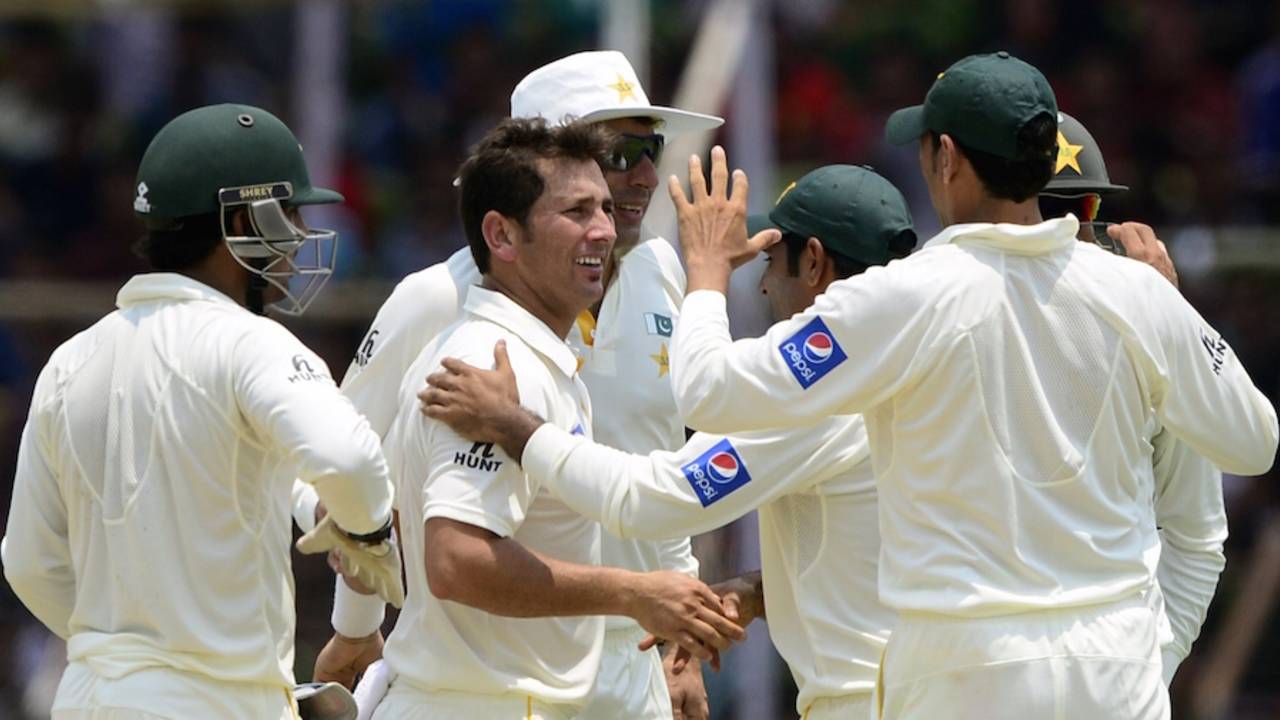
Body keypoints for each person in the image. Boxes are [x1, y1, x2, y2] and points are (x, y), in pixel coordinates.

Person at [663, 52, 1277, 719]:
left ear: (946, 156)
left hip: (962, 674)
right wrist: (1172, 316)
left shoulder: (898, 295)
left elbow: (708, 391)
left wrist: (704, 273)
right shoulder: (1139, 295)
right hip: (1113, 670)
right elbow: (1256, 444)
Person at [309, 50, 724, 720]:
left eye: (654, 148)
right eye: (622, 151)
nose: (648, 175)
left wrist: (680, 646)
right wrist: (356, 622)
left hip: (634, 651)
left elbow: (661, 461)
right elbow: (351, 477)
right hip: (496, 668)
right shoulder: (439, 300)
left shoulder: (658, 270)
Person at [419, 164, 914, 720]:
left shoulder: (818, 398)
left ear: (816, 263)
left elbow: (652, 498)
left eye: (771, 261)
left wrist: (516, 426)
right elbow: (883, 553)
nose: (765, 283)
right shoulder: (916, 363)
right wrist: (757, 591)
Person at [0, 103, 402, 720]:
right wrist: (367, 535)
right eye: (289, 212)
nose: (297, 238)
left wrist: (127, 650)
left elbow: (27, 562)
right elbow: (350, 459)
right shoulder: (251, 342)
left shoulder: (68, 361)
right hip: (218, 703)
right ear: (244, 220)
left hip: (89, 698)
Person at [1040, 111, 1227, 686]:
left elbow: (1198, 534)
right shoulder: (953, 314)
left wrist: (1150, 668)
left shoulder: (1148, 333)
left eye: (1066, 213)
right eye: (1042, 210)